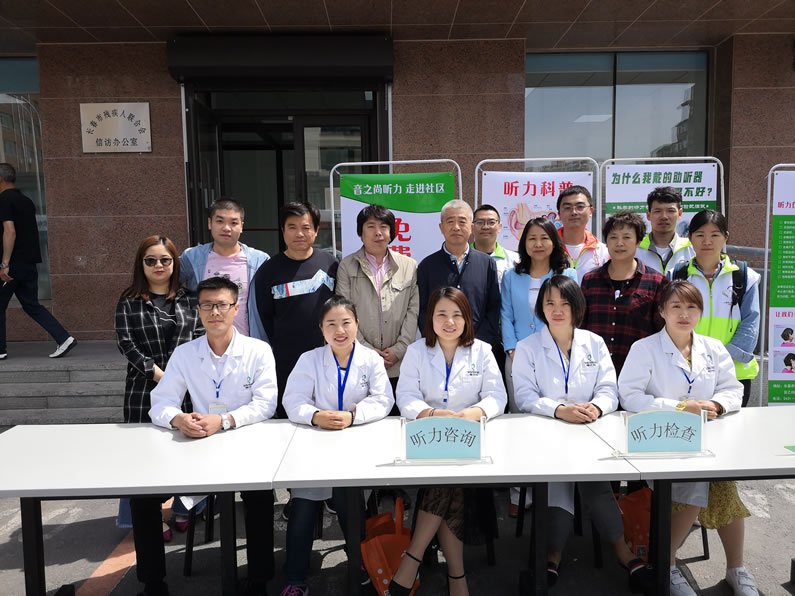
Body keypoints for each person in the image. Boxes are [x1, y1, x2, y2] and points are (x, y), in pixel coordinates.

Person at [130, 276, 279, 596]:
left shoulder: (258, 351)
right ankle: (153, 584)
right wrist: (178, 418)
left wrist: (224, 420)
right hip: (196, 448)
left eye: (222, 305)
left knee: (260, 496)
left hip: (245, 446)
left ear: (236, 308)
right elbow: (161, 402)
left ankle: (259, 581)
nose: (215, 312)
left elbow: (266, 404)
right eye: (207, 305)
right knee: (142, 497)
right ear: (198, 310)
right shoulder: (185, 354)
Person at [511, 275, 653, 592]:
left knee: (596, 487)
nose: (557, 310)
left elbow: (608, 388)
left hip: (590, 433)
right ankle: (553, 556)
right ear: (541, 307)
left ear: (577, 307)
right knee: (557, 489)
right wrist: (558, 410)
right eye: (550, 303)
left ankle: (624, 553)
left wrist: (597, 407)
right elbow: (524, 395)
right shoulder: (527, 348)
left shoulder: (594, 343)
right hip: (548, 435)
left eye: (564, 303)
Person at [619, 280, 756, 596]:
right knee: (699, 480)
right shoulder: (645, 349)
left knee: (724, 483)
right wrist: (679, 407)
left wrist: (717, 405)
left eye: (691, 307)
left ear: (700, 312)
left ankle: (736, 569)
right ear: (662, 311)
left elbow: (733, 389)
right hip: (660, 440)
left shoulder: (713, 348)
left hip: (706, 441)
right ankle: (666, 566)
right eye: (676, 307)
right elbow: (629, 395)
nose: (684, 314)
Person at [389, 287, 507, 596]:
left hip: (469, 439)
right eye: (441, 314)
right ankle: (457, 576)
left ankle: (412, 559)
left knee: (446, 483)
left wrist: (474, 413)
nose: (449, 321)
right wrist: (430, 413)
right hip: (428, 438)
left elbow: (497, 395)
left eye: (457, 315)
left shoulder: (482, 351)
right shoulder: (417, 351)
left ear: (467, 319)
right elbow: (406, 395)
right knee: (447, 483)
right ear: (431, 318)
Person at [280, 296, 394, 595]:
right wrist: (315, 416)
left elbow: (384, 399)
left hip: (355, 449)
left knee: (349, 499)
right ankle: (295, 579)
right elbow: (293, 400)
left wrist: (354, 415)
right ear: (321, 329)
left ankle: (359, 560)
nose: (339, 330)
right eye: (331, 324)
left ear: (357, 324)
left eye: (346, 322)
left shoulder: (370, 359)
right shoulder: (309, 359)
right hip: (315, 449)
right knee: (303, 506)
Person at [115, 235, 204, 536]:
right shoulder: (129, 301)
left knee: (187, 447)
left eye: (165, 260)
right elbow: (126, 344)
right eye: (150, 260)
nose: (158, 265)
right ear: (141, 264)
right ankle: (148, 517)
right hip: (144, 389)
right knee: (144, 456)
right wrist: (162, 377)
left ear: (174, 263)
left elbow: (200, 338)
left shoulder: (190, 299)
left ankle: (183, 507)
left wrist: (181, 377)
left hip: (187, 389)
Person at [251, 202, 339, 417]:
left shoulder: (330, 264)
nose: (299, 233)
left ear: (316, 230)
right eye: (292, 227)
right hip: (286, 362)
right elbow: (264, 318)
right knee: (291, 417)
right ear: (282, 231)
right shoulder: (268, 271)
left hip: (328, 358)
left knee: (329, 416)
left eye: (306, 227)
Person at [672, 209, 760, 407]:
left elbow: (751, 323)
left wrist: (721, 360)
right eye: (700, 235)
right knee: (691, 424)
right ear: (690, 238)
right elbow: (670, 321)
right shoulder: (677, 275)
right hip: (689, 372)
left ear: (725, 237)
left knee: (731, 425)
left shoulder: (744, 277)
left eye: (714, 235)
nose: (707, 241)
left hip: (735, 373)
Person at [335, 204, 419, 395]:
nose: (378, 232)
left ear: (391, 233)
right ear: (361, 233)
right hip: (359, 361)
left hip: (399, 365)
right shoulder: (347, 266)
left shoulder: (409, 266)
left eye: (384, 226)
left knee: (399, 410)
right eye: (371, 226)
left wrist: (399, 349)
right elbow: (343, 312)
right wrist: (367, 351)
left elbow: (413, 311)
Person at [0, 162, 75, 359]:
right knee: (31, 304)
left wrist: (4, 263)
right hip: (28, 264)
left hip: (12, 265)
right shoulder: (26, 200)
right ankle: (64, 338)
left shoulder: (4, 200)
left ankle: (0, 350)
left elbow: (10, 232)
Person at [501, 217, 577, 407]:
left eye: (544, 238)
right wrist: (511, 348)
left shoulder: (567, 275)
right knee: (520, 408)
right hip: (517, 353)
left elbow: (573, 313)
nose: (538, 244)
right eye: (532, 238)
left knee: (554, 407)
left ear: (554, 241)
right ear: (524, 243)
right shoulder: (511, 276)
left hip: (555, 352)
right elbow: (506, 314)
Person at [581, 211, 667, 376]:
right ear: (606, 242)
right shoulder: (590, 280)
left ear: (638, 241)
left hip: (640, 374)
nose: (619, 243)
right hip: (595, 374)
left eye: (627, 237)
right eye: (613, 237)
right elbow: (581, 328)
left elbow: (662, 331)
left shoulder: (656, 282)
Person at [179, 197, 269, 337]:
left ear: (241, 226)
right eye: (220, 221)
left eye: (233, 223)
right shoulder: (192, 257)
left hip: (247, 343)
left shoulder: (259, 260)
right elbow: (167, 283)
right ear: (210, 223)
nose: (226, 228)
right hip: (203, 342)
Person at [417, 199, 501, 349]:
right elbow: (422, 310)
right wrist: (437, 340)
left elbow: (493, 307)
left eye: (462, 222)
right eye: (450, 221)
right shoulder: (427, 266)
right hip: (439, 347)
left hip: (478, 347)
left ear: (471, 227)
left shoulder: (487, 263)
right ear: (441, 227)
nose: (456, 227)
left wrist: (478, 341)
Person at [635, 186, 695, 277]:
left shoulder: (692, 248)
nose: (664, 217)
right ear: (648, 215)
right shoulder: (635, 249)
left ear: (680, 214)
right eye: (658, 211)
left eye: (670, 211)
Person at [555, 185, 609, 283]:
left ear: (591, 211)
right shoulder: (549, 248)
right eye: (567, 207)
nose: (574, 212)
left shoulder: (603, 252)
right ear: (559, 214)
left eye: (580, 206)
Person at [471, 203, 519, 284]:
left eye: (491, 222)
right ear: (472, 227)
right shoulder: (462, 259)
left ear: (499, 227)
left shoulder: (515, 260)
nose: (485, 227)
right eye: (480, 222)